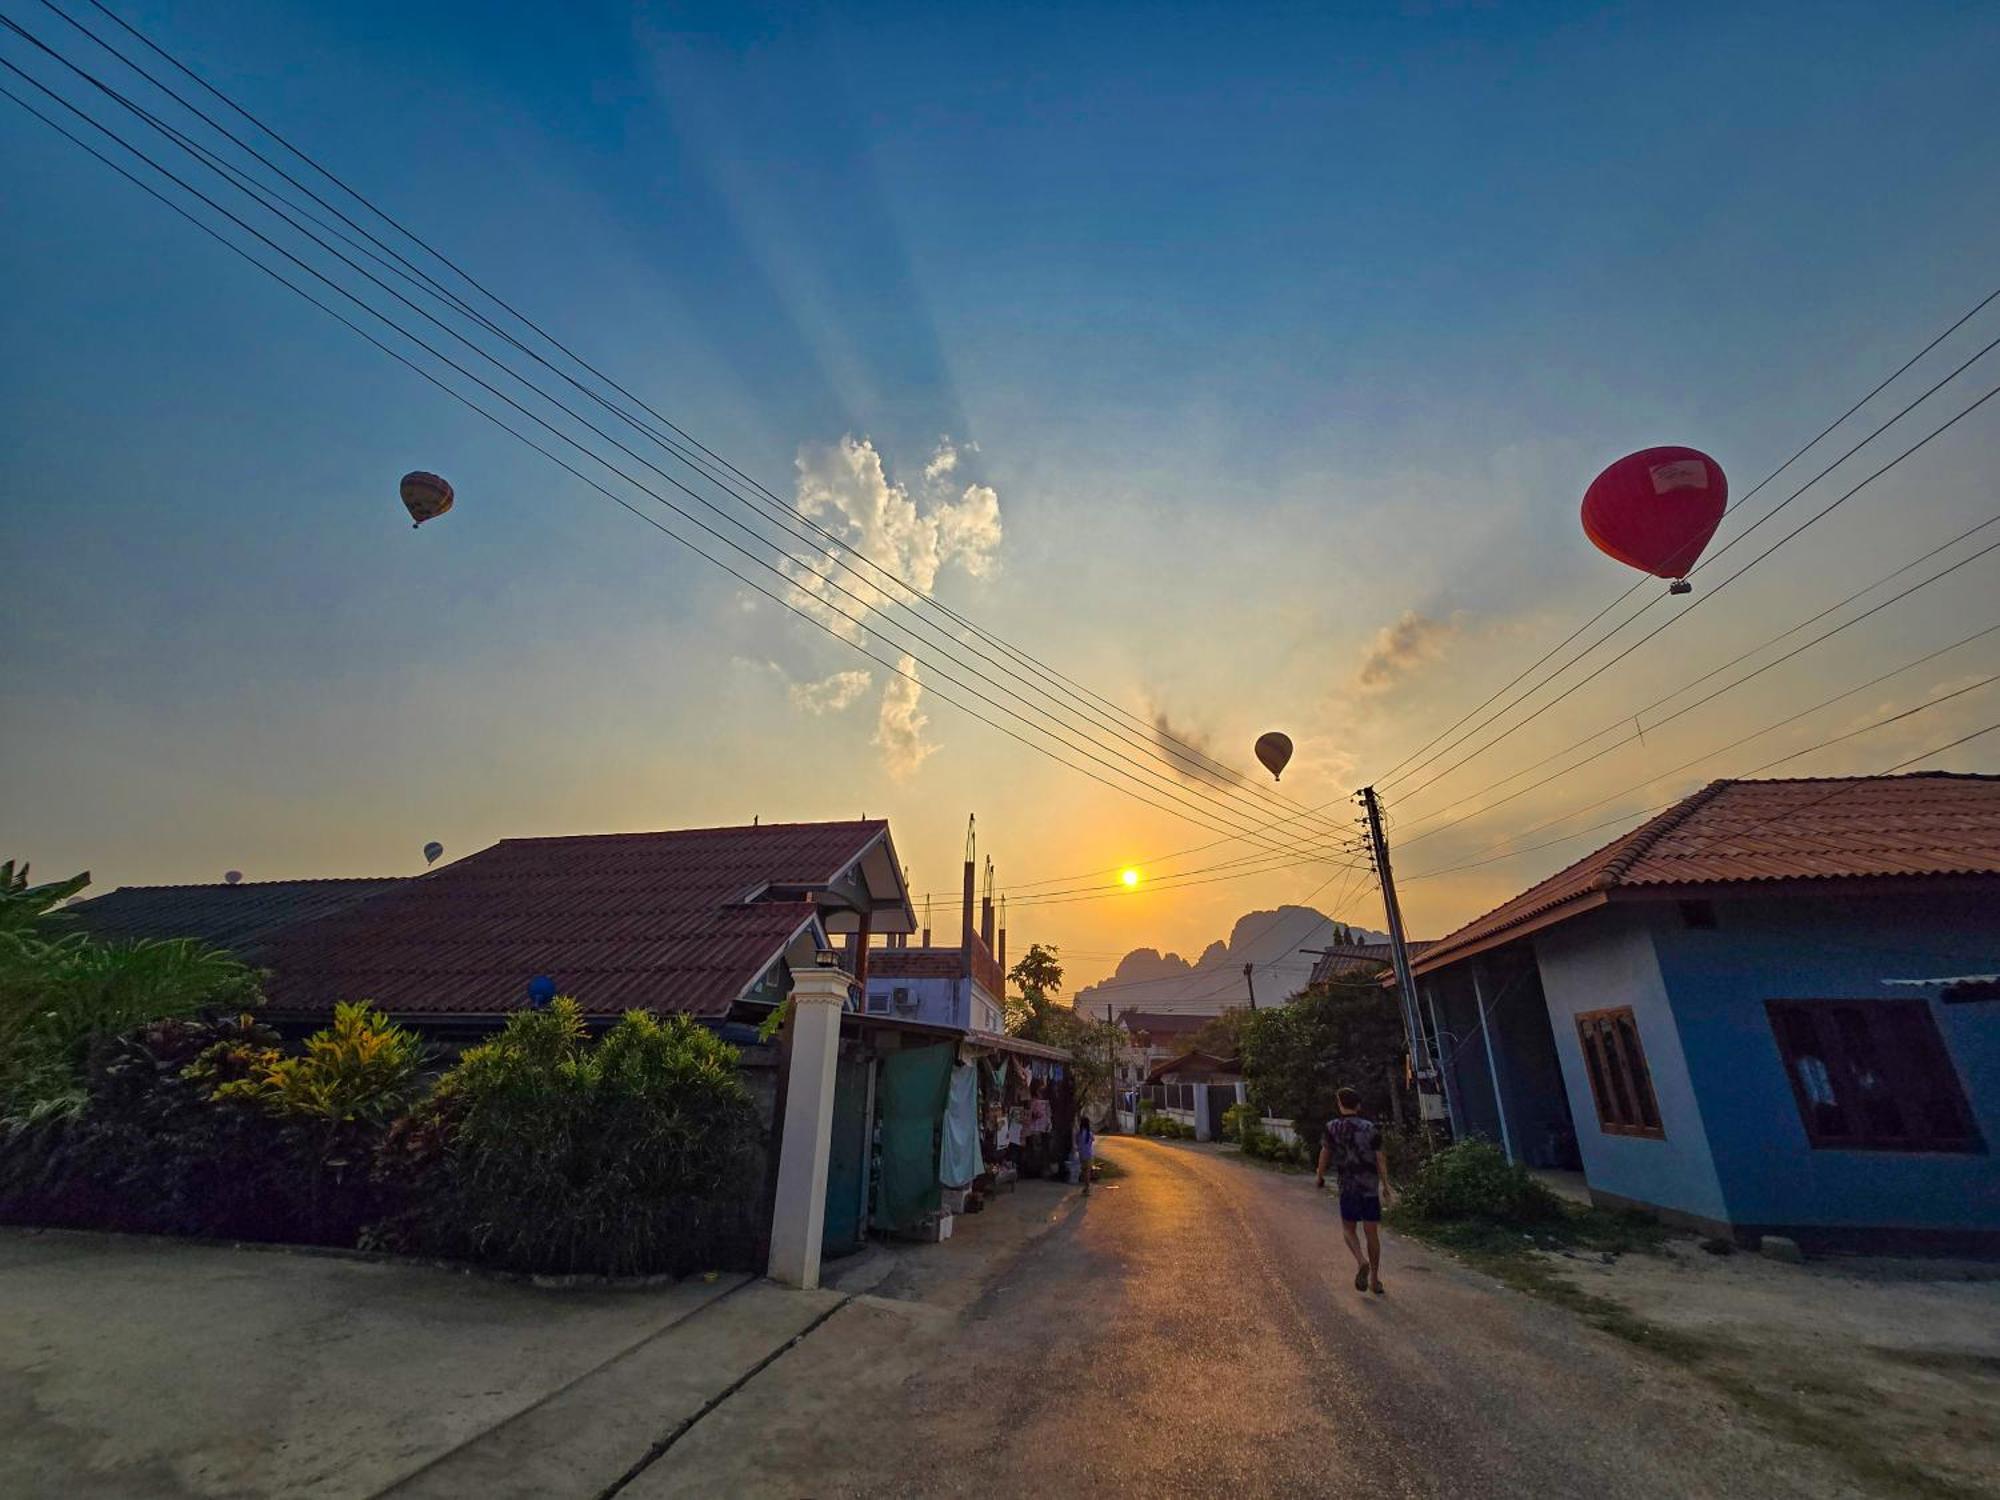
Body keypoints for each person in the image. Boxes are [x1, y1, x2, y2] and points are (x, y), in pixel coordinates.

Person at [1316, 1085, 1393, 1294]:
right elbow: (1380, 1158)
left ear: (1340, 1104)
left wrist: (1320, 1175)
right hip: (1369, 1186)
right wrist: (1386, 1186)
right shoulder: (1370, 1128)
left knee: (1348, 1229)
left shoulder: (1332, 1127)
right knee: (1372, 1233)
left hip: (1347, 1187)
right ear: (1358, 1105)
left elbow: (1325, 1153)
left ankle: (1360, 1260)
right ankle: (1375, 1280)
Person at [1074, 1114, 1095, 1195]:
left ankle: (1085, 1188)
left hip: (1081, 1154)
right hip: (1089, 1154)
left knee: (1083, 1171)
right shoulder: (1089, 1134)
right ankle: (1087, 1187)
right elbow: (1093, 1140)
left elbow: (1077, 1142)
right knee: (1088, 1172)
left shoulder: (1079, 1134)